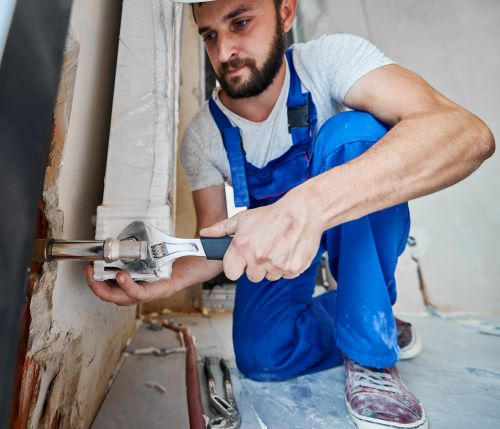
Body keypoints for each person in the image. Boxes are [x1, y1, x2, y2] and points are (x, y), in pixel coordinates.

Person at [86, 0, 495, 427]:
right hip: (276, 247)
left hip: (349, 227)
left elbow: (467, 134)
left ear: (285, 13)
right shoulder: (204, 137)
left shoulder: (330, 61)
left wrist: (309, 208)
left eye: (240, 23)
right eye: (209, 35)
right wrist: (167, 278)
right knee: (262, 354)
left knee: (353, 135)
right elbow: (212, 242)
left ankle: (370, 354)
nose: (223, 52)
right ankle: (364, 313)